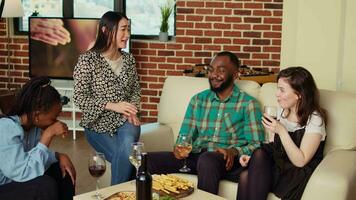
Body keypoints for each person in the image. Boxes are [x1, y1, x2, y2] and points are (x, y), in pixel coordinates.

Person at [147, 51, 265, 195]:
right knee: (146, 161)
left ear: (235, 75)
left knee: (207, 159)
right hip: (196, 156)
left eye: (221, 71)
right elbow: (185, 136)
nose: (214, 75)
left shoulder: (248, 104)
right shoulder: (198, 100)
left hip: (225, 161)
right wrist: (179, 148)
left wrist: (234, 152)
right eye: (211, 70)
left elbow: (257, 144)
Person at [237, 66, 327, 200]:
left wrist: (281, 130)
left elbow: (301, 161)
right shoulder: (283, 111)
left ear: (299, 94)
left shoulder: (314, 119)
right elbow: (274, 148)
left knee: (248, 175)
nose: (277, 94)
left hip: (297, 170)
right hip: (280, 165)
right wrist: (254, 161)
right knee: (250, 167)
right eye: (277, 89)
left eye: (282, 90)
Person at [73, 11, 141, 185]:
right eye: (123, 30)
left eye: (129, 30)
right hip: (96, 124)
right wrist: (112, 105)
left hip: (126, 121)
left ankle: (112, 196)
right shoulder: (87, 60)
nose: (127, 35)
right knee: (130, 162)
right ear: (106, 30)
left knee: (127, 141)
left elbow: (135, 91)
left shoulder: (129, 60)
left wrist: (132, 109)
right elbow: (80, 98)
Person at [0, 76, 76, 200]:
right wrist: (48, 134)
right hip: (4, 185)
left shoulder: (32, 127)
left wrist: (58, 156)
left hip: (15, 180)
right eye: (53, 118)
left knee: (62, 171)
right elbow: (24, 172)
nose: (56, 122)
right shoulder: (6, 128)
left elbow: (33, 157)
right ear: (36, 115)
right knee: (44, 185)